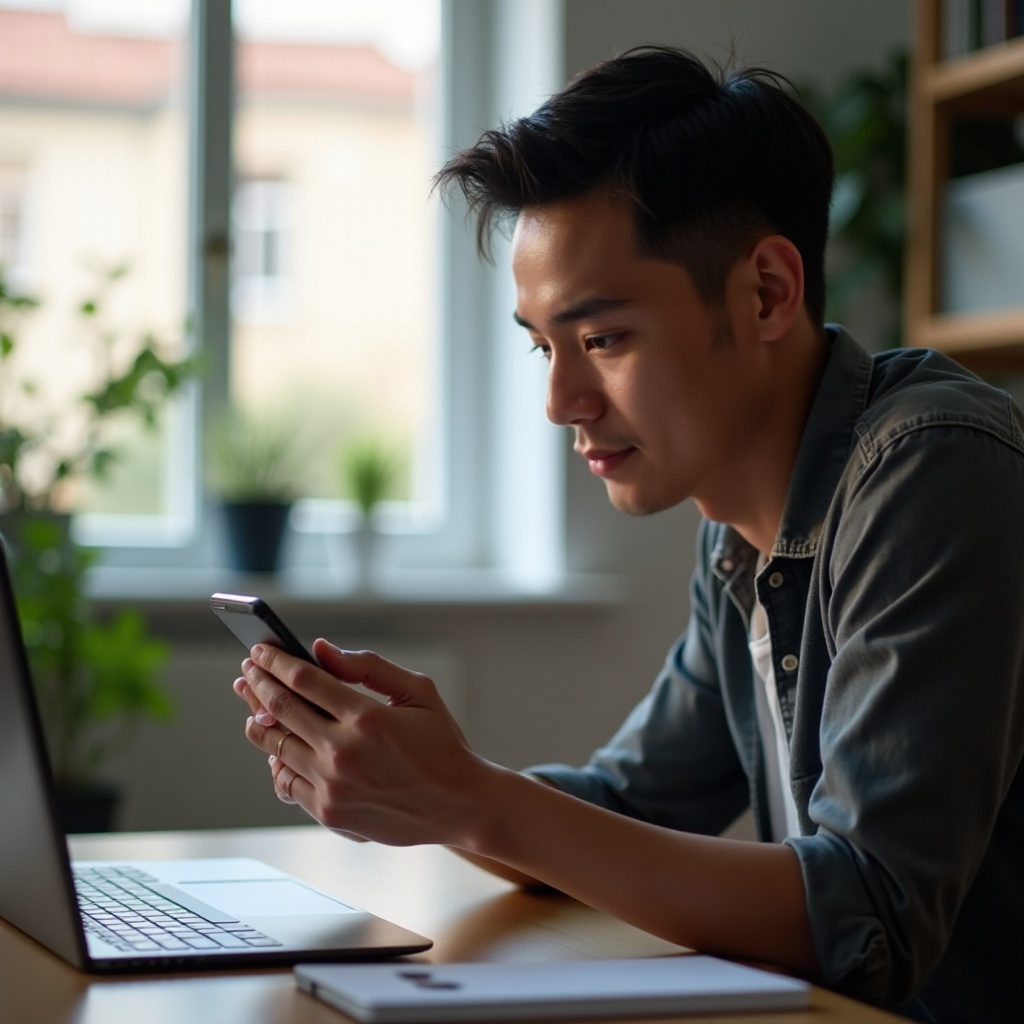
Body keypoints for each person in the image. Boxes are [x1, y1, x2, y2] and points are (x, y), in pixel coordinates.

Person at [232, 46, 1024, 1023]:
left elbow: (868, 918)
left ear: (767, 293)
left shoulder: (932, 464)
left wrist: (471, 799)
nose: (561, 401)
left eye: (602, 339)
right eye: (542, 346)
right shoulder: (739, 533)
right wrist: (428, 785)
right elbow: (626, 806)